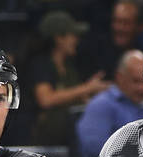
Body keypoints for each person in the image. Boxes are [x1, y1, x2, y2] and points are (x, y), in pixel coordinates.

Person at [29, 10, 110, 147]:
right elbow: (46, 99)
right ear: (59, 38)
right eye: (73, 35)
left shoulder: (70, 66)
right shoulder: (41, 64)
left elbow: (75, 97)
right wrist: (87, 88)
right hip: (41, 141)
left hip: (67, 137)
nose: (76, 40)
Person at [74, 50, 143, 157]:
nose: (141, 88)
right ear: (120, 77)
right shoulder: (101, 105)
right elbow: (95, 149)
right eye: (135, 81)